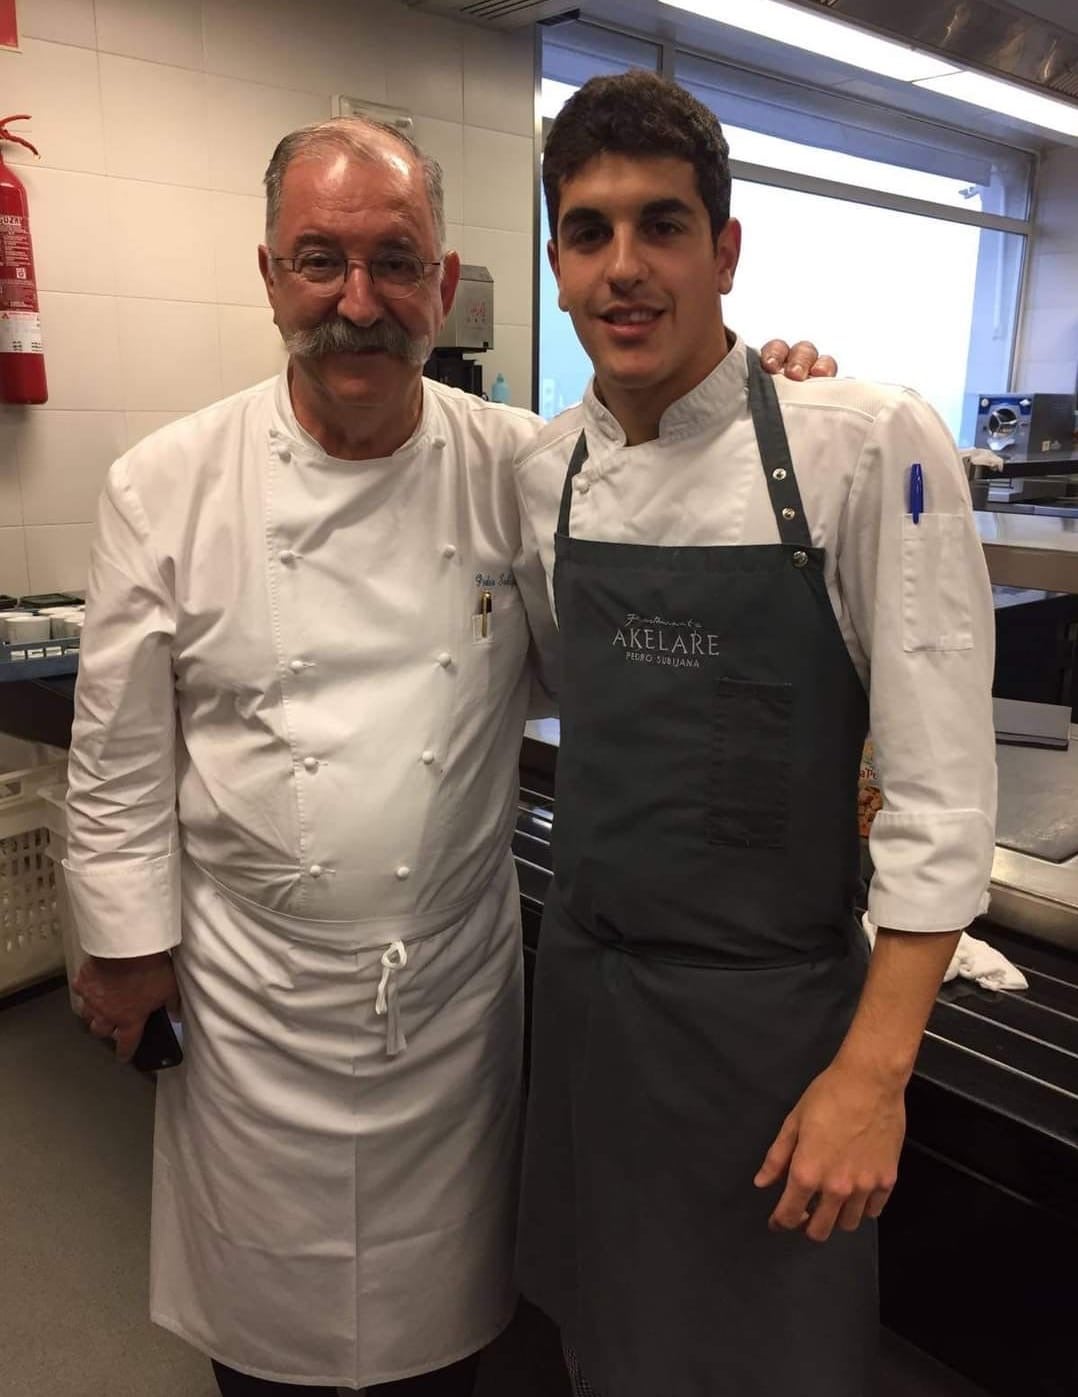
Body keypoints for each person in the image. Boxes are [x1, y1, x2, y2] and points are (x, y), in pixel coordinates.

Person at [65, 114, 826, 1395]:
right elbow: (121, 758)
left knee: (449, 1345)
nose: (356, 302)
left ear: (445, 281)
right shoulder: (164, 483)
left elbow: (639, 609)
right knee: (266, 1350)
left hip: (448, 1003)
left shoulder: (520, 466)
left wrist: (768, 409)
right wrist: (125, 952)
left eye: (394, 262)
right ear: (267, 276)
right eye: (319, 261)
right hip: (253, 1001)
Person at [513, 71, 997, 1397]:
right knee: (600, 1343)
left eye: (661, 226)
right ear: (553, 258)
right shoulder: (540, 469)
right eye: (588, 231)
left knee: (769, 1360)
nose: (624, 269)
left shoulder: (864, 445)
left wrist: (872, 1074)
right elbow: (572, 690)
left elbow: (943, 797)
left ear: (723, 251)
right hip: (593, 1013)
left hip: (774, 1036)